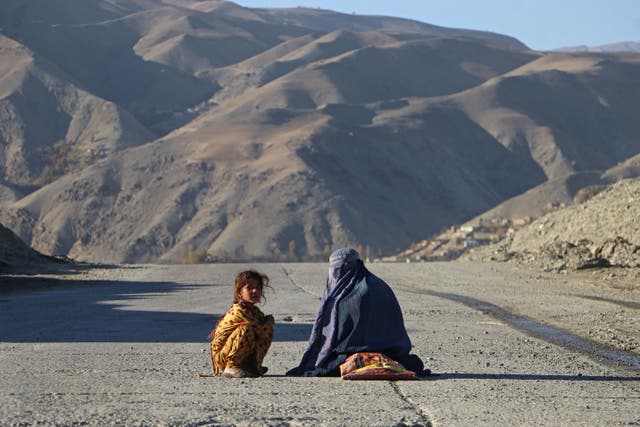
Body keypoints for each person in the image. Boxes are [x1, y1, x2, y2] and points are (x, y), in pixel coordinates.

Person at [287, 248, 427, 377]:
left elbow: (335, 341)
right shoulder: (381, 285)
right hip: (395, 354)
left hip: (358, 355)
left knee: (326, 364)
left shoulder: (343, 299)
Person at [209, 270, 274, 378]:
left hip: (233, 352)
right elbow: (257, 326)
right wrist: (267, 322)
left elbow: (262, 328)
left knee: (267, 328)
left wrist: (267, 323)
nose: (255, 291)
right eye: (250, 288)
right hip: (223, 356)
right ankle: (231, 367)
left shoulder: (254, 311)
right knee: (247, 328)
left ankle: (252, 365)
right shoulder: (238, 311)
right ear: (239, 292)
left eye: (258, 288)